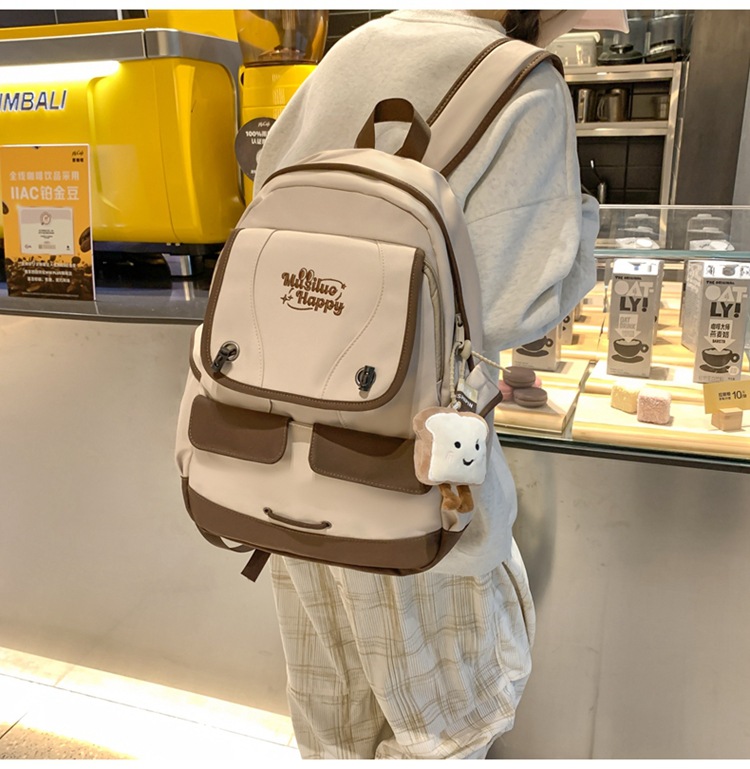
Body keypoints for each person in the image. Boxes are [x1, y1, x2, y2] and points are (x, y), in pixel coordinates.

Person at [253, 9, 627, 760]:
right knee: (439, 728)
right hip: (417, 474)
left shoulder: (349, 52)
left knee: (332, 717)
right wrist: (582, 226)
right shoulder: (524, 82)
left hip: (289, 461)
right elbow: (512, 309)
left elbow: (268, 209)